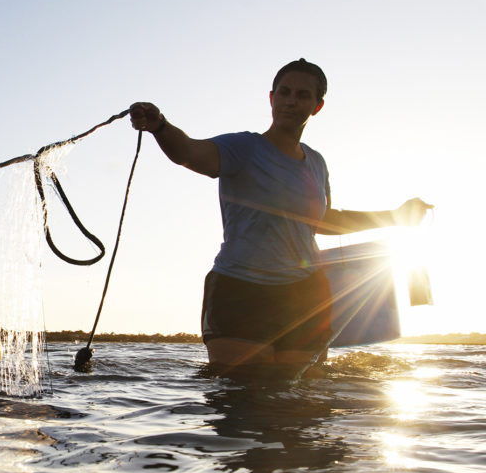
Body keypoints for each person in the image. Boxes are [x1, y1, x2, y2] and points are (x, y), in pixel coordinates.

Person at [130, 58, 432, 377]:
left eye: (302, 95)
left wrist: (395, 217)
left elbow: (323, 221)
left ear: (317, 106)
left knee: (297, 399)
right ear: (272, 98)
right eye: (284, 92)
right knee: (246, 392)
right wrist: (159, 126)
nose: (291, 100)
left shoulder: (316, 163)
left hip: (305, 293)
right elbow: (188, 152)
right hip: (240, 288)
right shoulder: (243, 148)